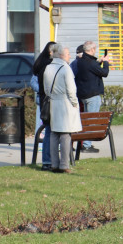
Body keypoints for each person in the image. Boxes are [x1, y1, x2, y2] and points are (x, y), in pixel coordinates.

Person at [43, 43, 80, 173]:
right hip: (65, 103)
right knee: (65, 134)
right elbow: (71, 89)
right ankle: (64, 165)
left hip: (53, 102)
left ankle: (54, 164)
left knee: (54, 133)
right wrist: (75, 103)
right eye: (67, 53)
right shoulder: (65, 68)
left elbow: (46, 88)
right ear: (61, 54)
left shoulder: (48, 68)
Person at [74, 40, 111, 153]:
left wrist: (99, 61)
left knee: (87, 119)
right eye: (95, 49)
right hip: (92, 95)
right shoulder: (91, 63)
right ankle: (86, 145)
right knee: (91, 120)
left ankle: (84, 143)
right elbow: (104, 73)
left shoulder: (81, 61)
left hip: (83, 95)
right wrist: (105, 62)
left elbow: (92, 68)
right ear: (92, 50)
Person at [31, 41, 56, 170]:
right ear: (51, 52)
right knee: (48, 129)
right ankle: (47, 159)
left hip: (43, 99)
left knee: (46, 129)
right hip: (47, 100)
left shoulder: (40, 64)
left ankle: (48, 158)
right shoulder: (48, 66)